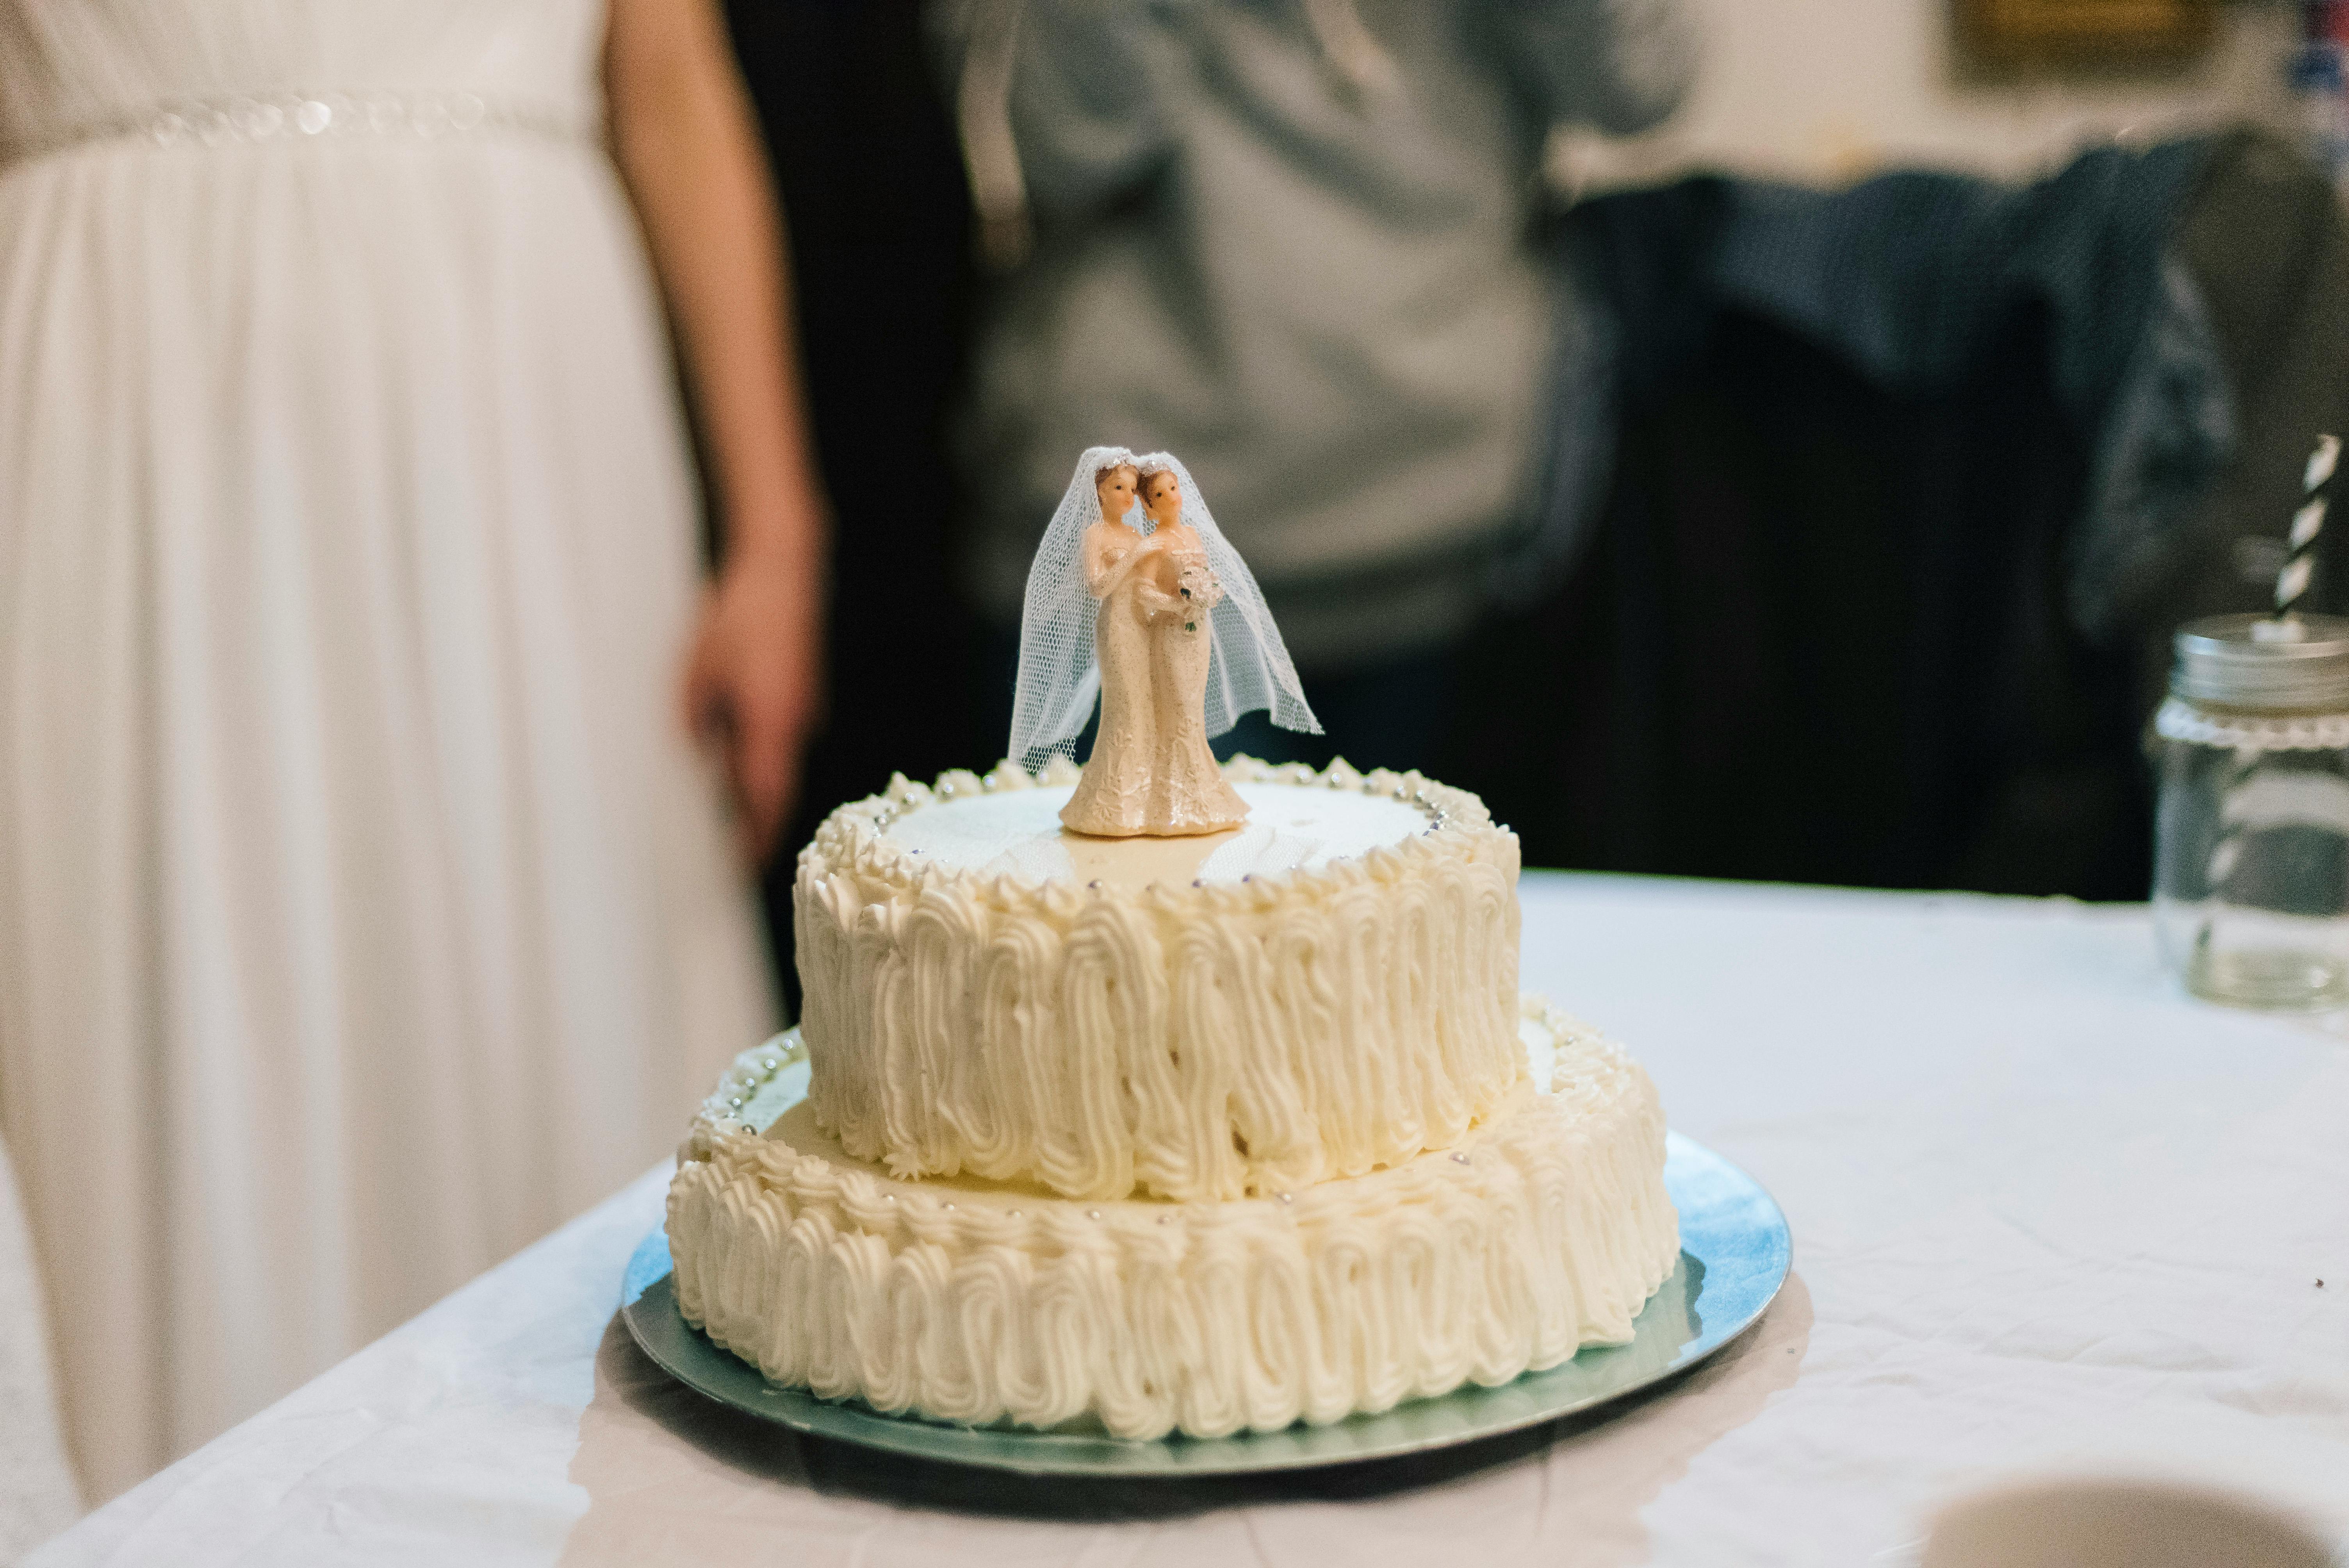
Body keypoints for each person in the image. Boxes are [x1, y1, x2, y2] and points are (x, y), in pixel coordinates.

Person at [0, 0, 822, 1500]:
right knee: (173, 984)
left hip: (511, 397)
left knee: (543, 979)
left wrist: (774, 529)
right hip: (118, 393)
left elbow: (670, 76)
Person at [941, 0, 1695, 769]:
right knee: (1139, 886)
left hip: (1450, 548)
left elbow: (1640, 88)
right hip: (1136, 575)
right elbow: (1051, 142)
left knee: (1438, 884)